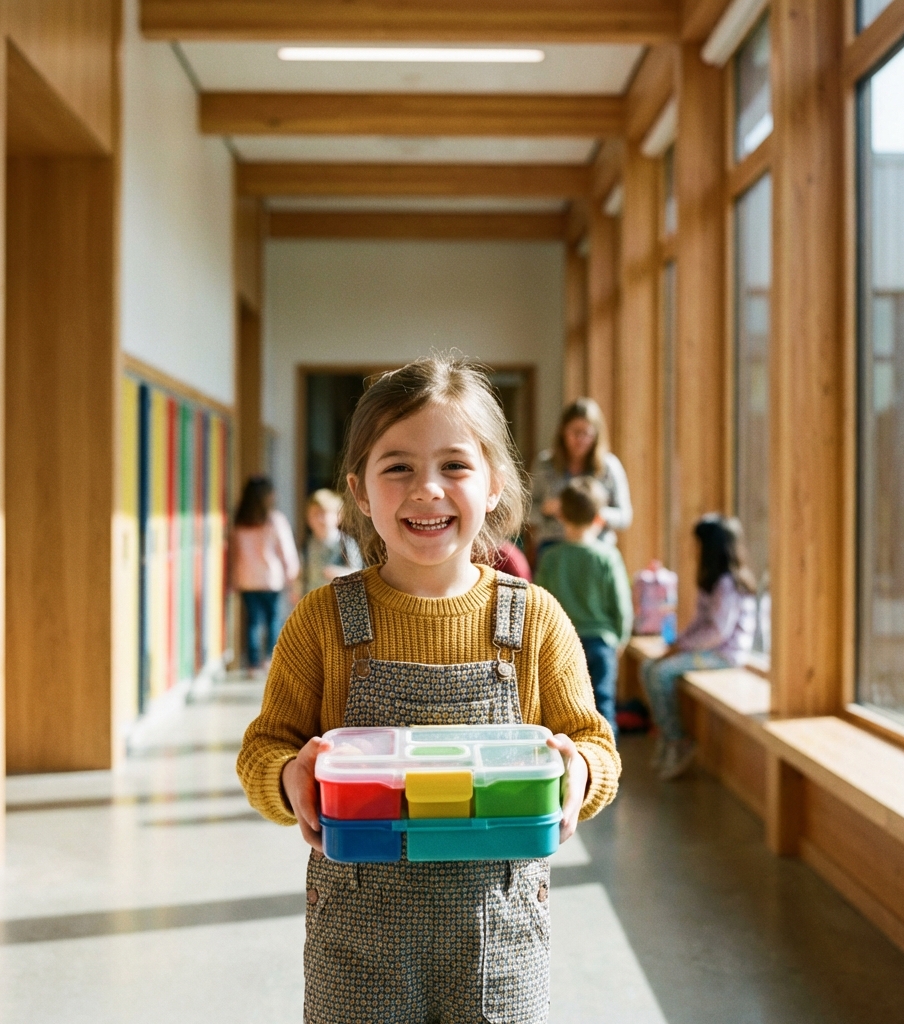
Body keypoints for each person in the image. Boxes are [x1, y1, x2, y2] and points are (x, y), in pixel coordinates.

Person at [238, 355, 619, 1024]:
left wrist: (578, 770)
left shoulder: (534, 620)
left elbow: (596, 744)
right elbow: (264, 749)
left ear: (495, 482)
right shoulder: (322, 621)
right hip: (357, 954)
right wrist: (288, 779)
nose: (427, 490)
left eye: (454, 466)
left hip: (498, 947)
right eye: (398, 468)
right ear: (360, 491)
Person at [642, 514, 757, 781]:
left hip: (724, 655)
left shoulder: (728, 584)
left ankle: (678, 741)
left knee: (660, 673)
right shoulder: (713, 581)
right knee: (649, 665)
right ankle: (666, 733)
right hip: (707, 650)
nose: (693, 550)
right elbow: (700, 622)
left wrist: (682, 647)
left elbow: (718, 632)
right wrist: (678, 642)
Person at [535, 477, 633, 734]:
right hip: (601, 643)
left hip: (561, 644)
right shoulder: (608, 557)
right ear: (600, 518)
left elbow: (540, 603)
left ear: (560, 515)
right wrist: (620, 638)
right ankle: (607, 769)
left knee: (562, 707)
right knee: (604, 705)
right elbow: (621, 604)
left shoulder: (551, 557)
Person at [530, 397, 633, 561]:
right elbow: (525, 511)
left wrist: (594, 512)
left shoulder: (608, 466)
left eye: (586, 434)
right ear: (563, 431)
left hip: (596, 549)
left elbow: (624, 516)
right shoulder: (545, 465)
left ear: (596, 435)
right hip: (553, 547)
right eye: (575, 433)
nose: (580, 440)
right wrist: (545, 508)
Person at [231, 476, 299, 670]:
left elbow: (235, 553)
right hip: (271, 579)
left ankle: (253, 664)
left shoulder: (239, 522)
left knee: (253, 622)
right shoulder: (275, 520)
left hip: (246, 579)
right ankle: (270, 660)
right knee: (273, 620)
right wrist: (292, 573)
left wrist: (233, 579)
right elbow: (286, 550)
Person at [302, 488, 362, 595]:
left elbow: (358, 574)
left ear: (338, 516)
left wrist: (338, 573)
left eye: (323, 513)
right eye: (314, 514)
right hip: (314, 601)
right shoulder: (308, 544)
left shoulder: (345, 543)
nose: (319, 519)